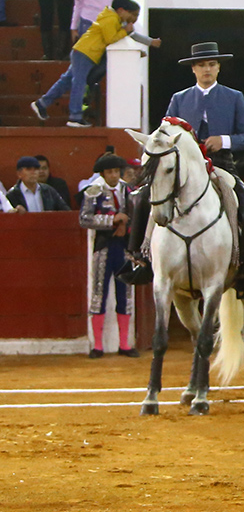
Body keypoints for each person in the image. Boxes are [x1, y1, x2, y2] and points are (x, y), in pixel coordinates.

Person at [118, 42, 244, 299]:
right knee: (142, 197)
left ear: (218, 68)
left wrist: (224, 140)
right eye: (202, 65)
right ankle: (140, 258)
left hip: (221, 165)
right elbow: (163, 135)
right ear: (193, 69)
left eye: (212, 65)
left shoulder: (234, 97)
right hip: (182, 168)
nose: (208, 69)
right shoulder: (180, 99)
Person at [30, 0, 160, 128]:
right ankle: (75, 116)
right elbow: (111, 39)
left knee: (67, 81)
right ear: (121, 10)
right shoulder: (110, 19)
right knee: (79, 82)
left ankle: (42, 103)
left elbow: (131, 34)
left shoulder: (114, 19)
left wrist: (149, 42)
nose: (134, 19)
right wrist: (124, 32)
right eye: (132, 14)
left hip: (84, 52)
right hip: (86, 53)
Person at [79, 152, 138, 359]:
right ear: (103, 173)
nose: (113, 175)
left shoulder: (129, 190)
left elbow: (138, 214)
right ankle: (98, 346)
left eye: (115, 171)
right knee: (99, 294)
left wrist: (125, 223)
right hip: (103, 248)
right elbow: (85, 220)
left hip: (124, 248)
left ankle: (124, 344)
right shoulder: (93, 191)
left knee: (125, 294)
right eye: (109, 172)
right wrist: (113, 220)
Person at [5, 156, 70, 212]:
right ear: (19, 174)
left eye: (36, 169)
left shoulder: (48, 190)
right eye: (29, 169)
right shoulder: (12, 195)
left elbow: (66, 211)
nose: (33, 172)